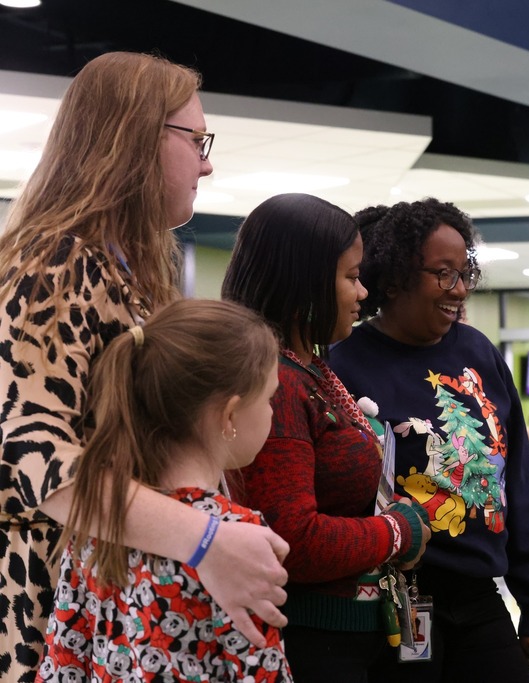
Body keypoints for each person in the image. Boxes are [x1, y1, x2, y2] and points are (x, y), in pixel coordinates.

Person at [0, 51, 287, 682]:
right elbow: (29, 456)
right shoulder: (55, 263)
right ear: (133, 139)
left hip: (115, 603)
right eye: (196, 140)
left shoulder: (119, 267)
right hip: (56, 615)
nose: (206, 163)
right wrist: (204, 539)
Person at [327, 197, 529, 682]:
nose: (461, 289)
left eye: (465, 272)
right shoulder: (344, 364)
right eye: (444, 274)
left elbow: (519, 485)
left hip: (479, 594)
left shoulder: (478, 352)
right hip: (396, 598)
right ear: (395, 279)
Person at [221, 193, 430, 683]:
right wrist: (399, 531)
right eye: (351, 277)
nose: (362, 293)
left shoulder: (308, 366)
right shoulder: (276, 382)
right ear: (306, 280)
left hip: (351, 635)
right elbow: (293, 539)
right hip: (313, 641)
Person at [38, 300, 292, 681]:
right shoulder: (237, 536)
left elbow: (62, 666)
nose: (273, 411)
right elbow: (262, 672)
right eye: (270, 397)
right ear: (229, 415)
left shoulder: (94, 522)